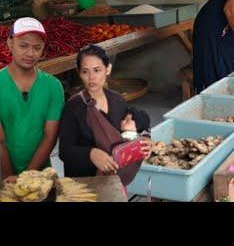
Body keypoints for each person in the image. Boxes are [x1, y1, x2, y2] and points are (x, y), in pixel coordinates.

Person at [59, 44, 152, 185]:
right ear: (79, 72)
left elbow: (142, 119)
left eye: (97, 70)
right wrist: (91, 154)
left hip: (115, 183)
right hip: (84, 187)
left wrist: (145, 140)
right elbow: (65, 151)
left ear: (108, 69)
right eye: (85, 72)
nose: (91, 78)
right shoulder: (74, 106)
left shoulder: (117, 100)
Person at [0, 18, 64, 183]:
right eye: (23, 45)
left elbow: (50, 136)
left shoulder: (53, 86)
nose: (30, 53)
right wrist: (8, 178)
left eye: (37, 48)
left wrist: (26, 177)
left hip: (39, 174)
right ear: (10, 43)